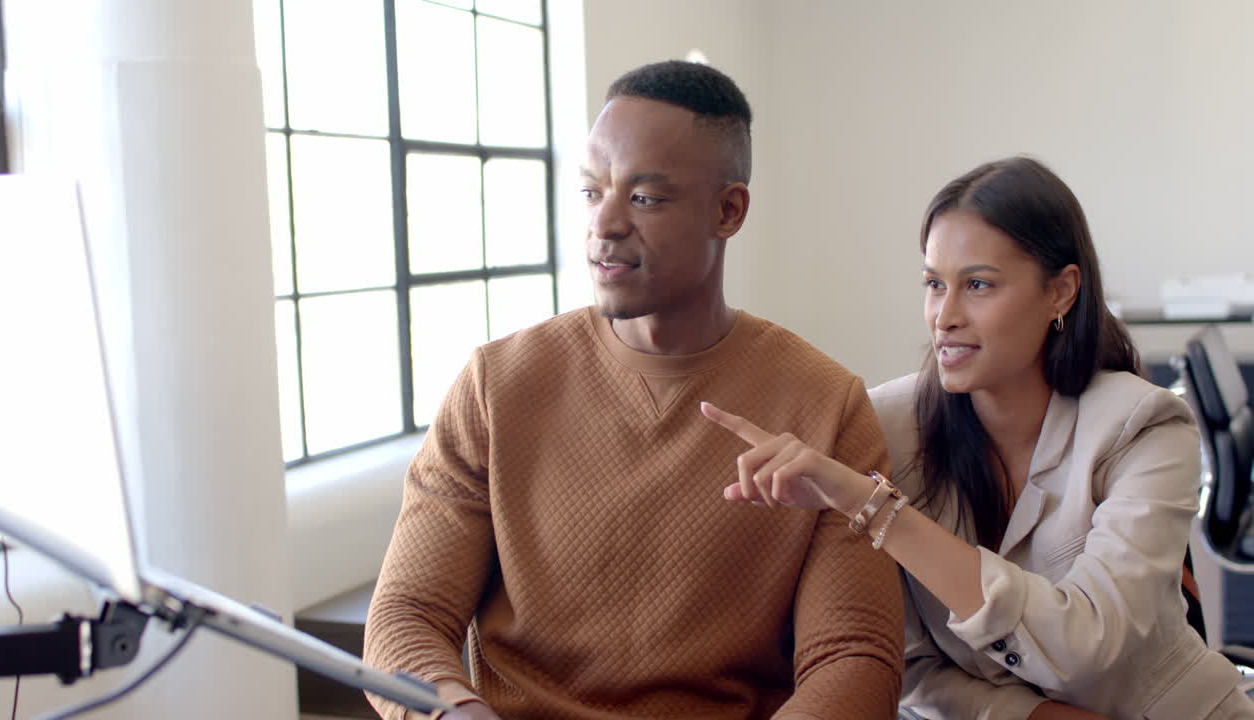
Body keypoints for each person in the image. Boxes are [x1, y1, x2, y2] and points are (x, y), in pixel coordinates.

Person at [362, 59, 904, 720]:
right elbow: (406, 616)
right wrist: (454, 712)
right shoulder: (495, 386)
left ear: (728, 211)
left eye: (645, 198)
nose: (605, 223)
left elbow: (854, 658)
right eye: (593, 192)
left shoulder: (826, 405)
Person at [701, 156, 1254, 719]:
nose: (945, 316)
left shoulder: (1143, 425)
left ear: (1062, 291)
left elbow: (1086, 644)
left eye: (978, 285)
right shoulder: (885, 426)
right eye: (934, 284)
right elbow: (902, 663)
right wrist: (1031, 717)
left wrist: (876, 508)